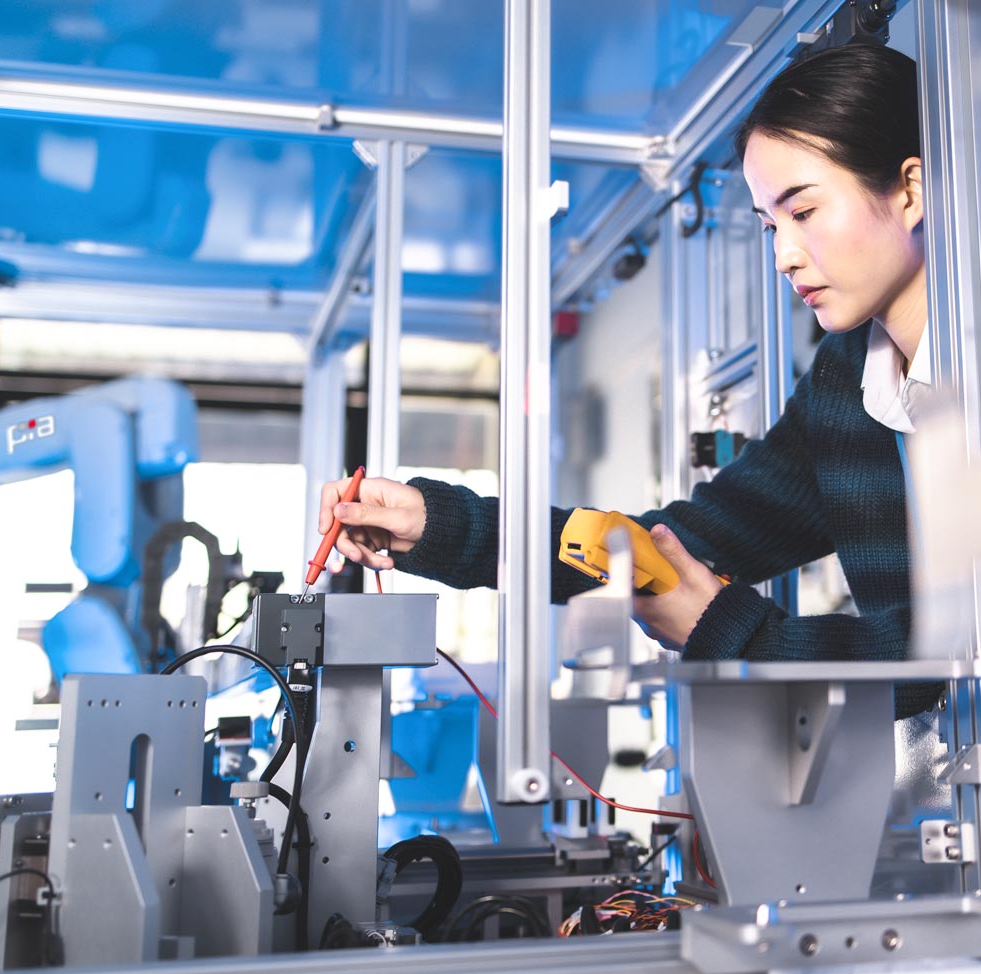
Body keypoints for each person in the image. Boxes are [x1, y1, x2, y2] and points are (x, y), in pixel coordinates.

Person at [318, 43, 941, 719]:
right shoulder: (846, 384)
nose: (783, 256)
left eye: (804, 211)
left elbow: (948, 653)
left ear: (910, 189)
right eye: (769, 225)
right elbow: (665, 544)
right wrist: (438, 525)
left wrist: (732, 631)